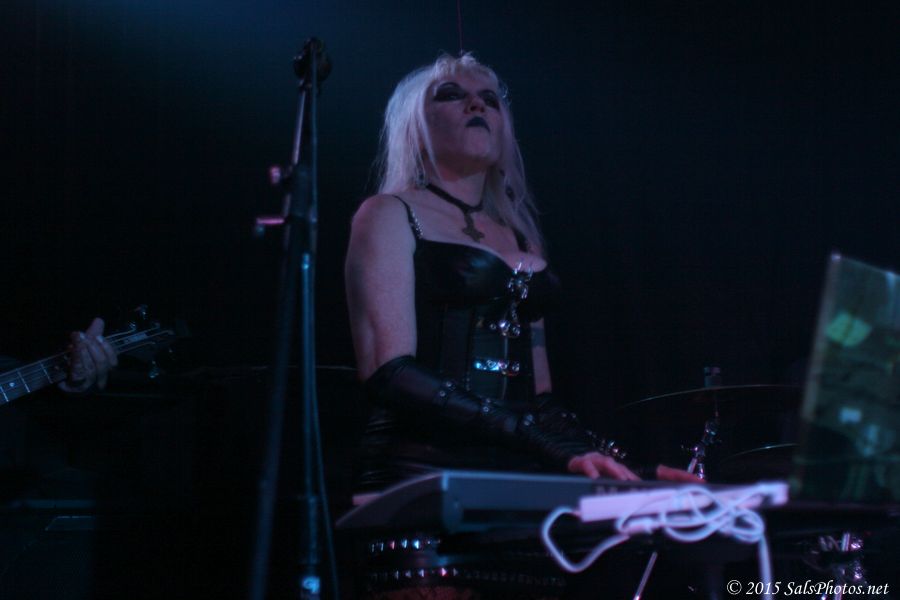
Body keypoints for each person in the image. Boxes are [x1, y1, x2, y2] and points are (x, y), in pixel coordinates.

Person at [344, 53, 694, 599]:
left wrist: (630, 470)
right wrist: (542, 443)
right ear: (415, 124)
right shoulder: (389, 213)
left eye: (490, 98)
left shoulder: (520, 236)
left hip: (514, 491)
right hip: (422, 482)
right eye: (452, 94)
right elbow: (390, 372)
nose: (477, 103)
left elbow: (541, 402)